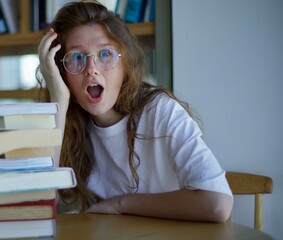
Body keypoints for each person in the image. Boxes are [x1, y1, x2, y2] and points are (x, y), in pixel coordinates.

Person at [37, 1, 233, 223]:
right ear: (63, 74)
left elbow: (217, 203)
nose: (91, 68)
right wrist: (59, 101)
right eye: (76, 58)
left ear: (125, 64)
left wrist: (121, 204)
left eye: (105, 54)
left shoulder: (160, 110)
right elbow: (41, 206)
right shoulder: (68, 125)